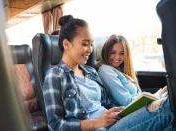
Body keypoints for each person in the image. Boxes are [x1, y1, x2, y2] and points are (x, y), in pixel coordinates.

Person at [43, 15, 175, 131]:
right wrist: (96, 123)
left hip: (114, 123)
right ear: (67, 44)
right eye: (85, 44)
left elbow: (107, 104)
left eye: (91, 44)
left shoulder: (90, 71)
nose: (90, 49)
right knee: (169, 106)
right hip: (98, 128)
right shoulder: (55, 76)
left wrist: (122, 112)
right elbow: (55, 125)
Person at [98, 34, 167, 106]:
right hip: (131, 111)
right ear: (106, 52)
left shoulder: (119, 69)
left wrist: (160, 93)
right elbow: (127, 102)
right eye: (113, 52)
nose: (117, 57)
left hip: (140, 106)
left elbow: (137, 96)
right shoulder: (105, 70)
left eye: (122, 53)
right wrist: (157, 96)